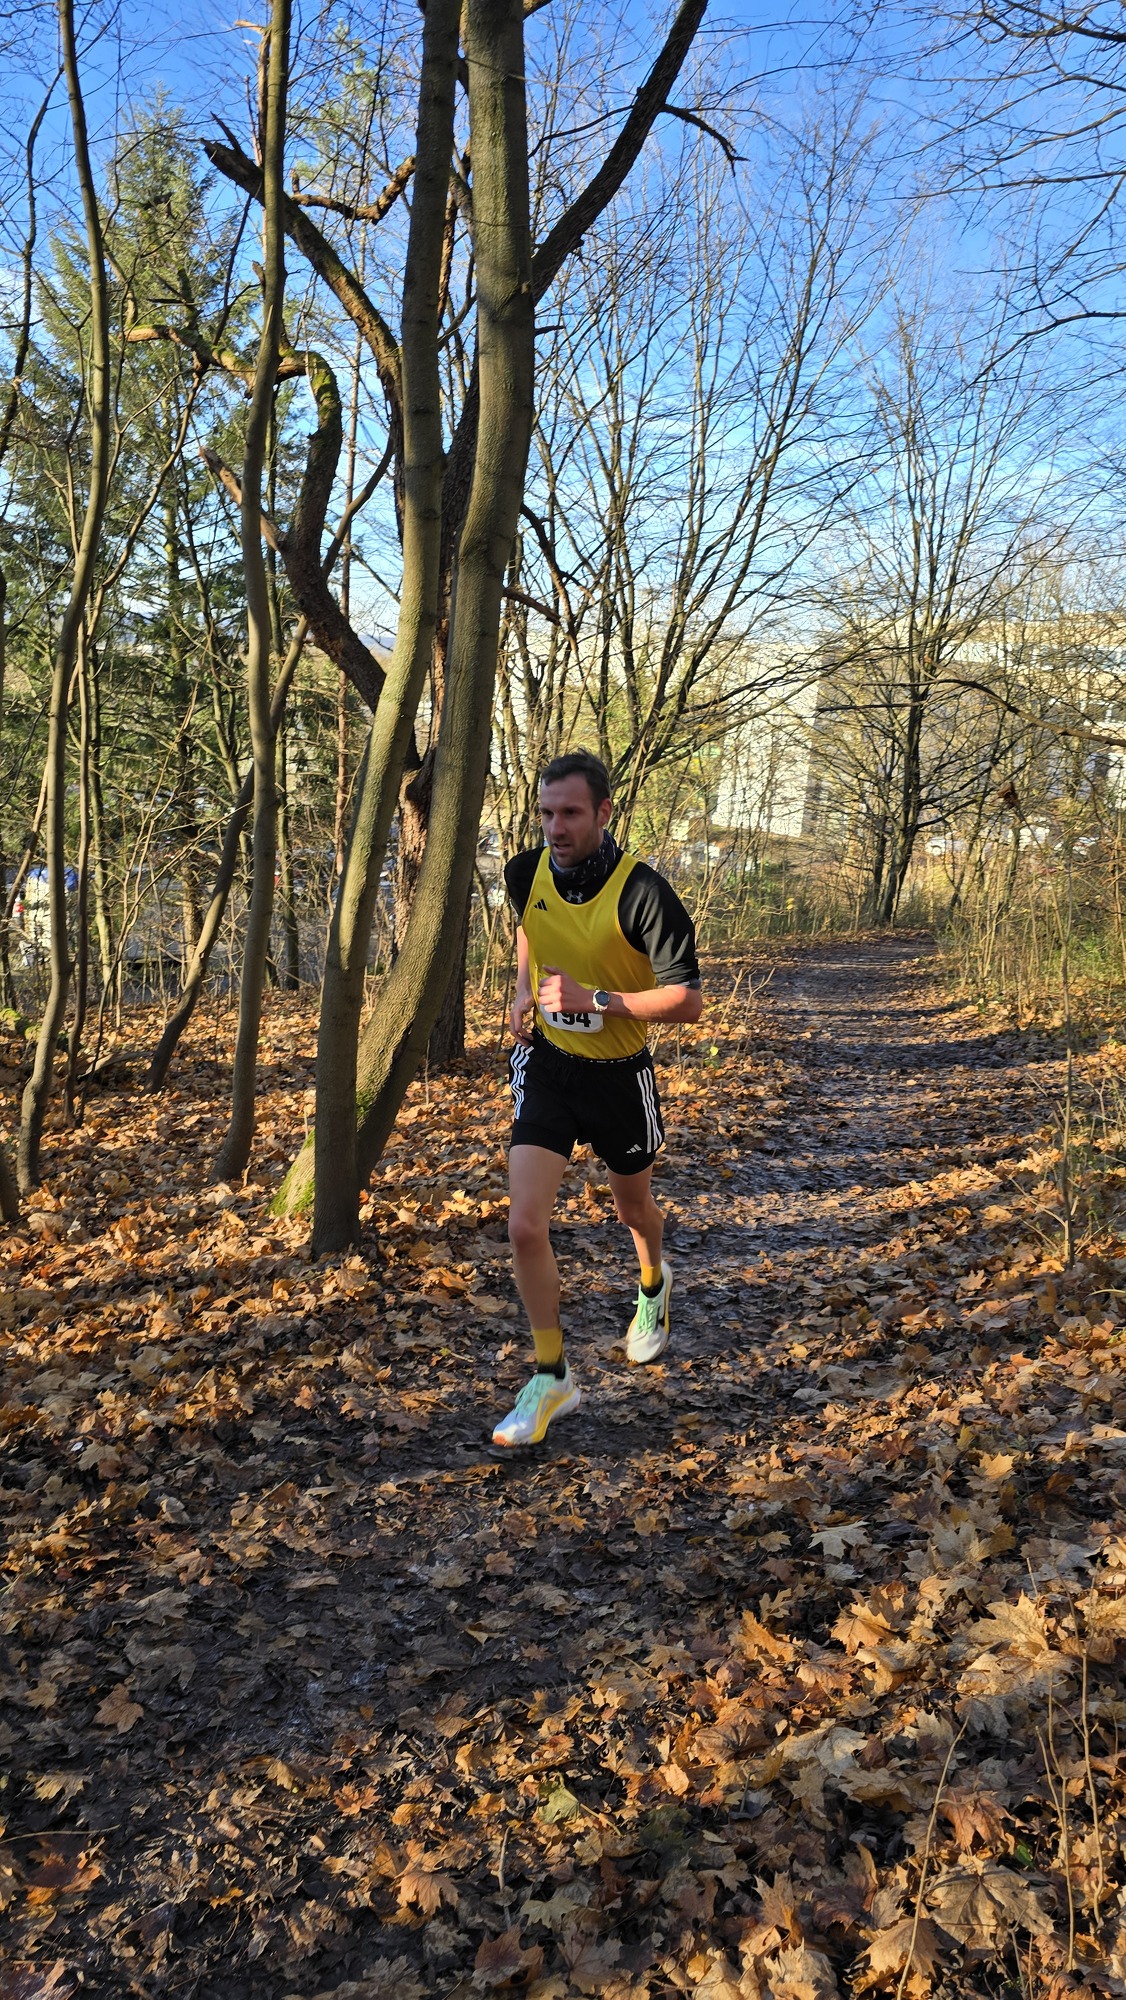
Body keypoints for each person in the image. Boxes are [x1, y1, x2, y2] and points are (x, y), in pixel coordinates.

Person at [492, 750, 704, 1449]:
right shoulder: (524, 872)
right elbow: (531, 925)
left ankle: (653, 1285)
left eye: (571, 813)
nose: (556, 828)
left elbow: (688, 1001)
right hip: (550, 1066)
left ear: (604, 812)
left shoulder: (643, 893)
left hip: (620, 1076)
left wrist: (598, 999)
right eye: (546, 813)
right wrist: (523, 989)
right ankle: (551, 1376)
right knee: (525, 1226)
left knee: (632, 1209)